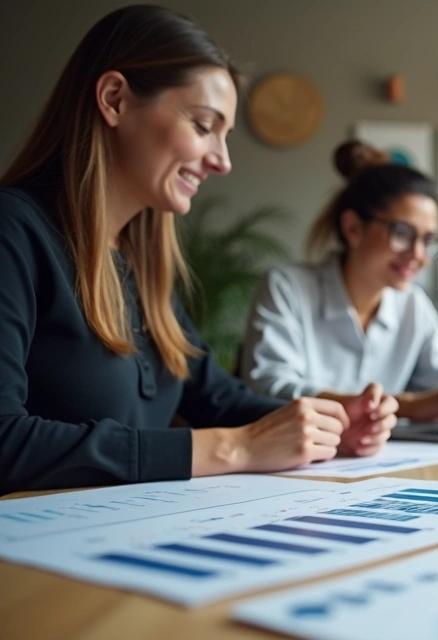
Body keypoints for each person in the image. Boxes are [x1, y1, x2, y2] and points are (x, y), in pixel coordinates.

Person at [0, 5, 395, 495]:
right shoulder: (12, 231)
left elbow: (219, 398)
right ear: (115, 99)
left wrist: (327, 424)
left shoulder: (138, 260)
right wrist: (232, 449)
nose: (222, 161)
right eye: (204, 125)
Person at [240, 143, 438, 422]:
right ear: (353, 228)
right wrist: (406, 405)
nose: (418, 255)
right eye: (402, 233)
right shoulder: (287, 289)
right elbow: (269, 388)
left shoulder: (412, 303)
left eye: (428, 240)